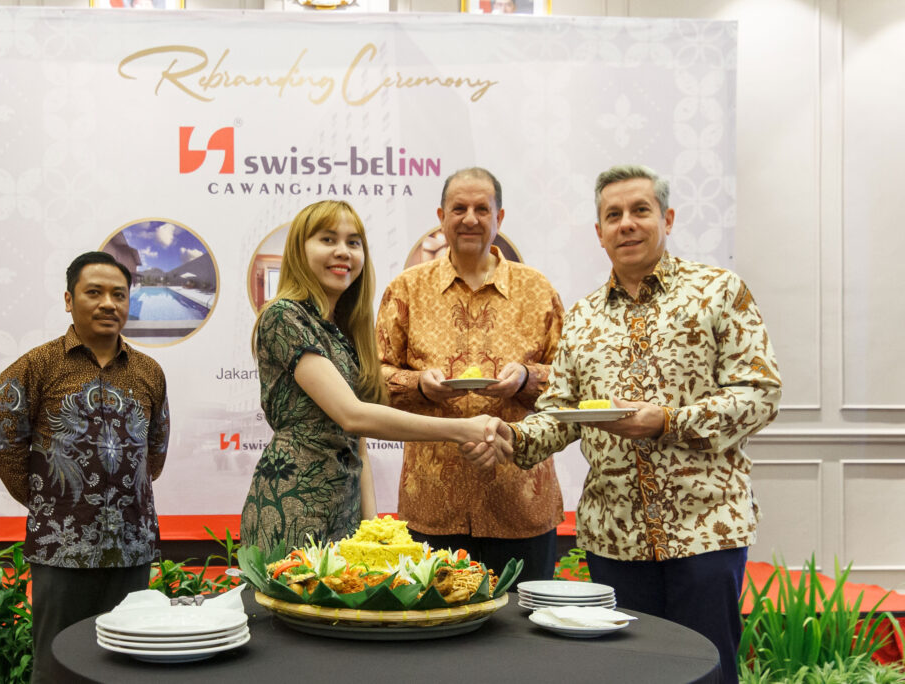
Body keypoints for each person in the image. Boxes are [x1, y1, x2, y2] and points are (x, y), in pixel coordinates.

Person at [466, 164, 782, 684]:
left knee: (709, 669)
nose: (627, 224)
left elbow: (761, 393)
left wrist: (669, 421)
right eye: (613, 216)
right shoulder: (585, 316)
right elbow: (560, 413)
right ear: (599, 233)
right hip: (615, 536)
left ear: (668, 217)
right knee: (631, 674)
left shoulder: (719, 291)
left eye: (640, 211)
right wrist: (513, 438)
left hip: (705, 527)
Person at [239, 200, 505, 554]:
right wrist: (462, 429)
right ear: (299, 251)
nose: (343, 252)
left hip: (344, 510)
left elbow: (357, 438)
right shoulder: (284, 316)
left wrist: (371, 528)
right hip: (292, 505)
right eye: (327, 239)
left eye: (353, 242)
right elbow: (353, 414)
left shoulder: (340, 331)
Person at [0, 251, 169, 683]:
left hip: (131, 545)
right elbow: (2, 442)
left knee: (128, 662)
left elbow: (155, 451)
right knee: (57, 662)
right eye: (94, 292)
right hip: (61, 546)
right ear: (69, 300)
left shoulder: (149, 372)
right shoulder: (35, 366)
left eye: (119, 295)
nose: (109, 303)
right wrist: (49, 502)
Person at [375, 167, 566, 582]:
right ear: (441, 216)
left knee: (525, 632)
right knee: (436, 633)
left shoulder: (538, 290)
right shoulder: (405, 290)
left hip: (520, 497)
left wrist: (527, 379)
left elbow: (572, 386)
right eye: (459, 208)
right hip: (432, 502)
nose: (470, 218)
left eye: (482, 208)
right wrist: (419, 385)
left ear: (500, 218)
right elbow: (373, 380)